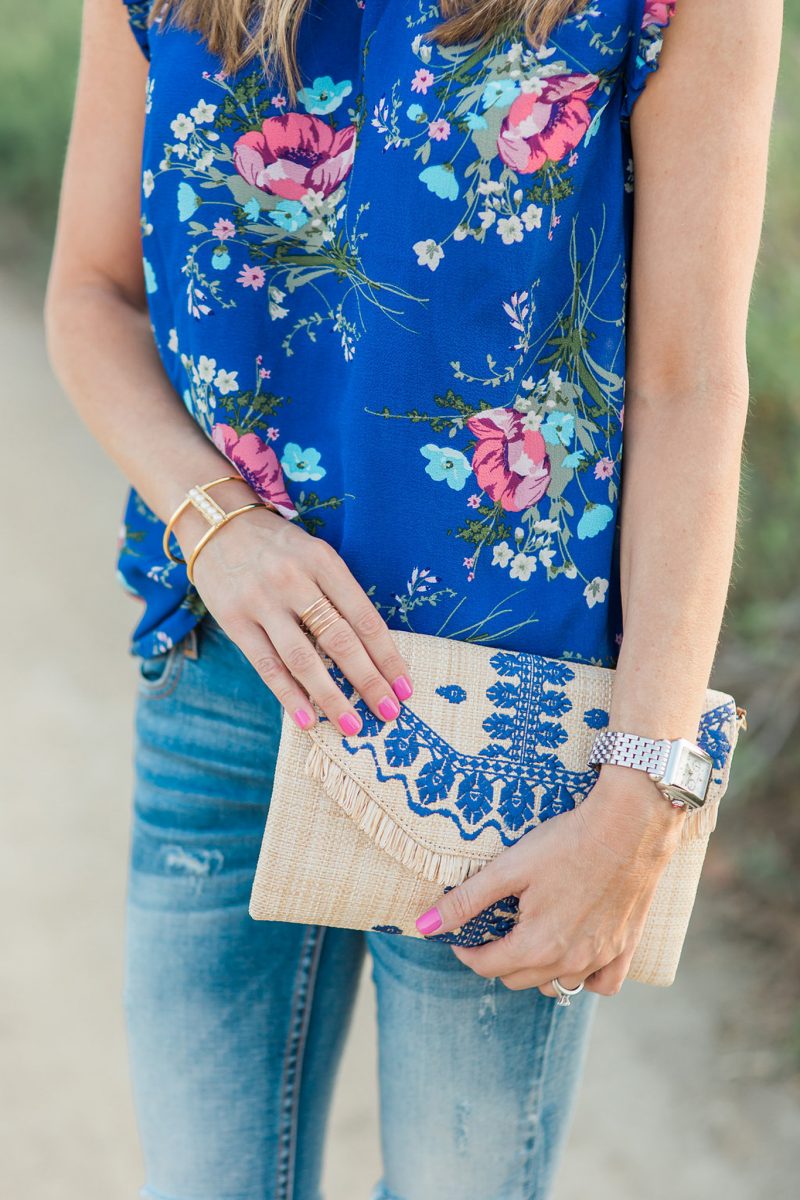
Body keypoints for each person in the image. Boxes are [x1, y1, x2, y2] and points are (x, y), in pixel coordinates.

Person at [44, 1, 781, 1197]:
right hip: (224, 687)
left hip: (516, 742)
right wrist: (218, 524)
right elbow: (89, 295)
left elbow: (688, 385)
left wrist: (644, 787)